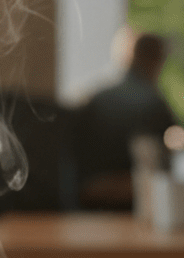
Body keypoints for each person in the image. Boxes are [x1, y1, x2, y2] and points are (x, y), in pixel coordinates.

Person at [73, 33, 176, 193]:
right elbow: (168, 159)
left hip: (89, 191)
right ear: (157, 62)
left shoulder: (96, 98)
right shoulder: (155, 105)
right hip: (135, 193)